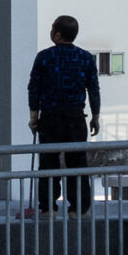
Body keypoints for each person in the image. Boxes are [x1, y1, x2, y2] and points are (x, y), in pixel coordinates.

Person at [27, 15, 100, 215]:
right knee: (77, 163)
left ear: (57, 35)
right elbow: (93, 89)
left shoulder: (44, 57)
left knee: (48, 163)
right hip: (76, 118)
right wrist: (95, 115)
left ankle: (48, 207)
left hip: (50, 118)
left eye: (52, 29)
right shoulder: (85, 58)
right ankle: (78, 207)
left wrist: (34, 115)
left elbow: (34, 88)